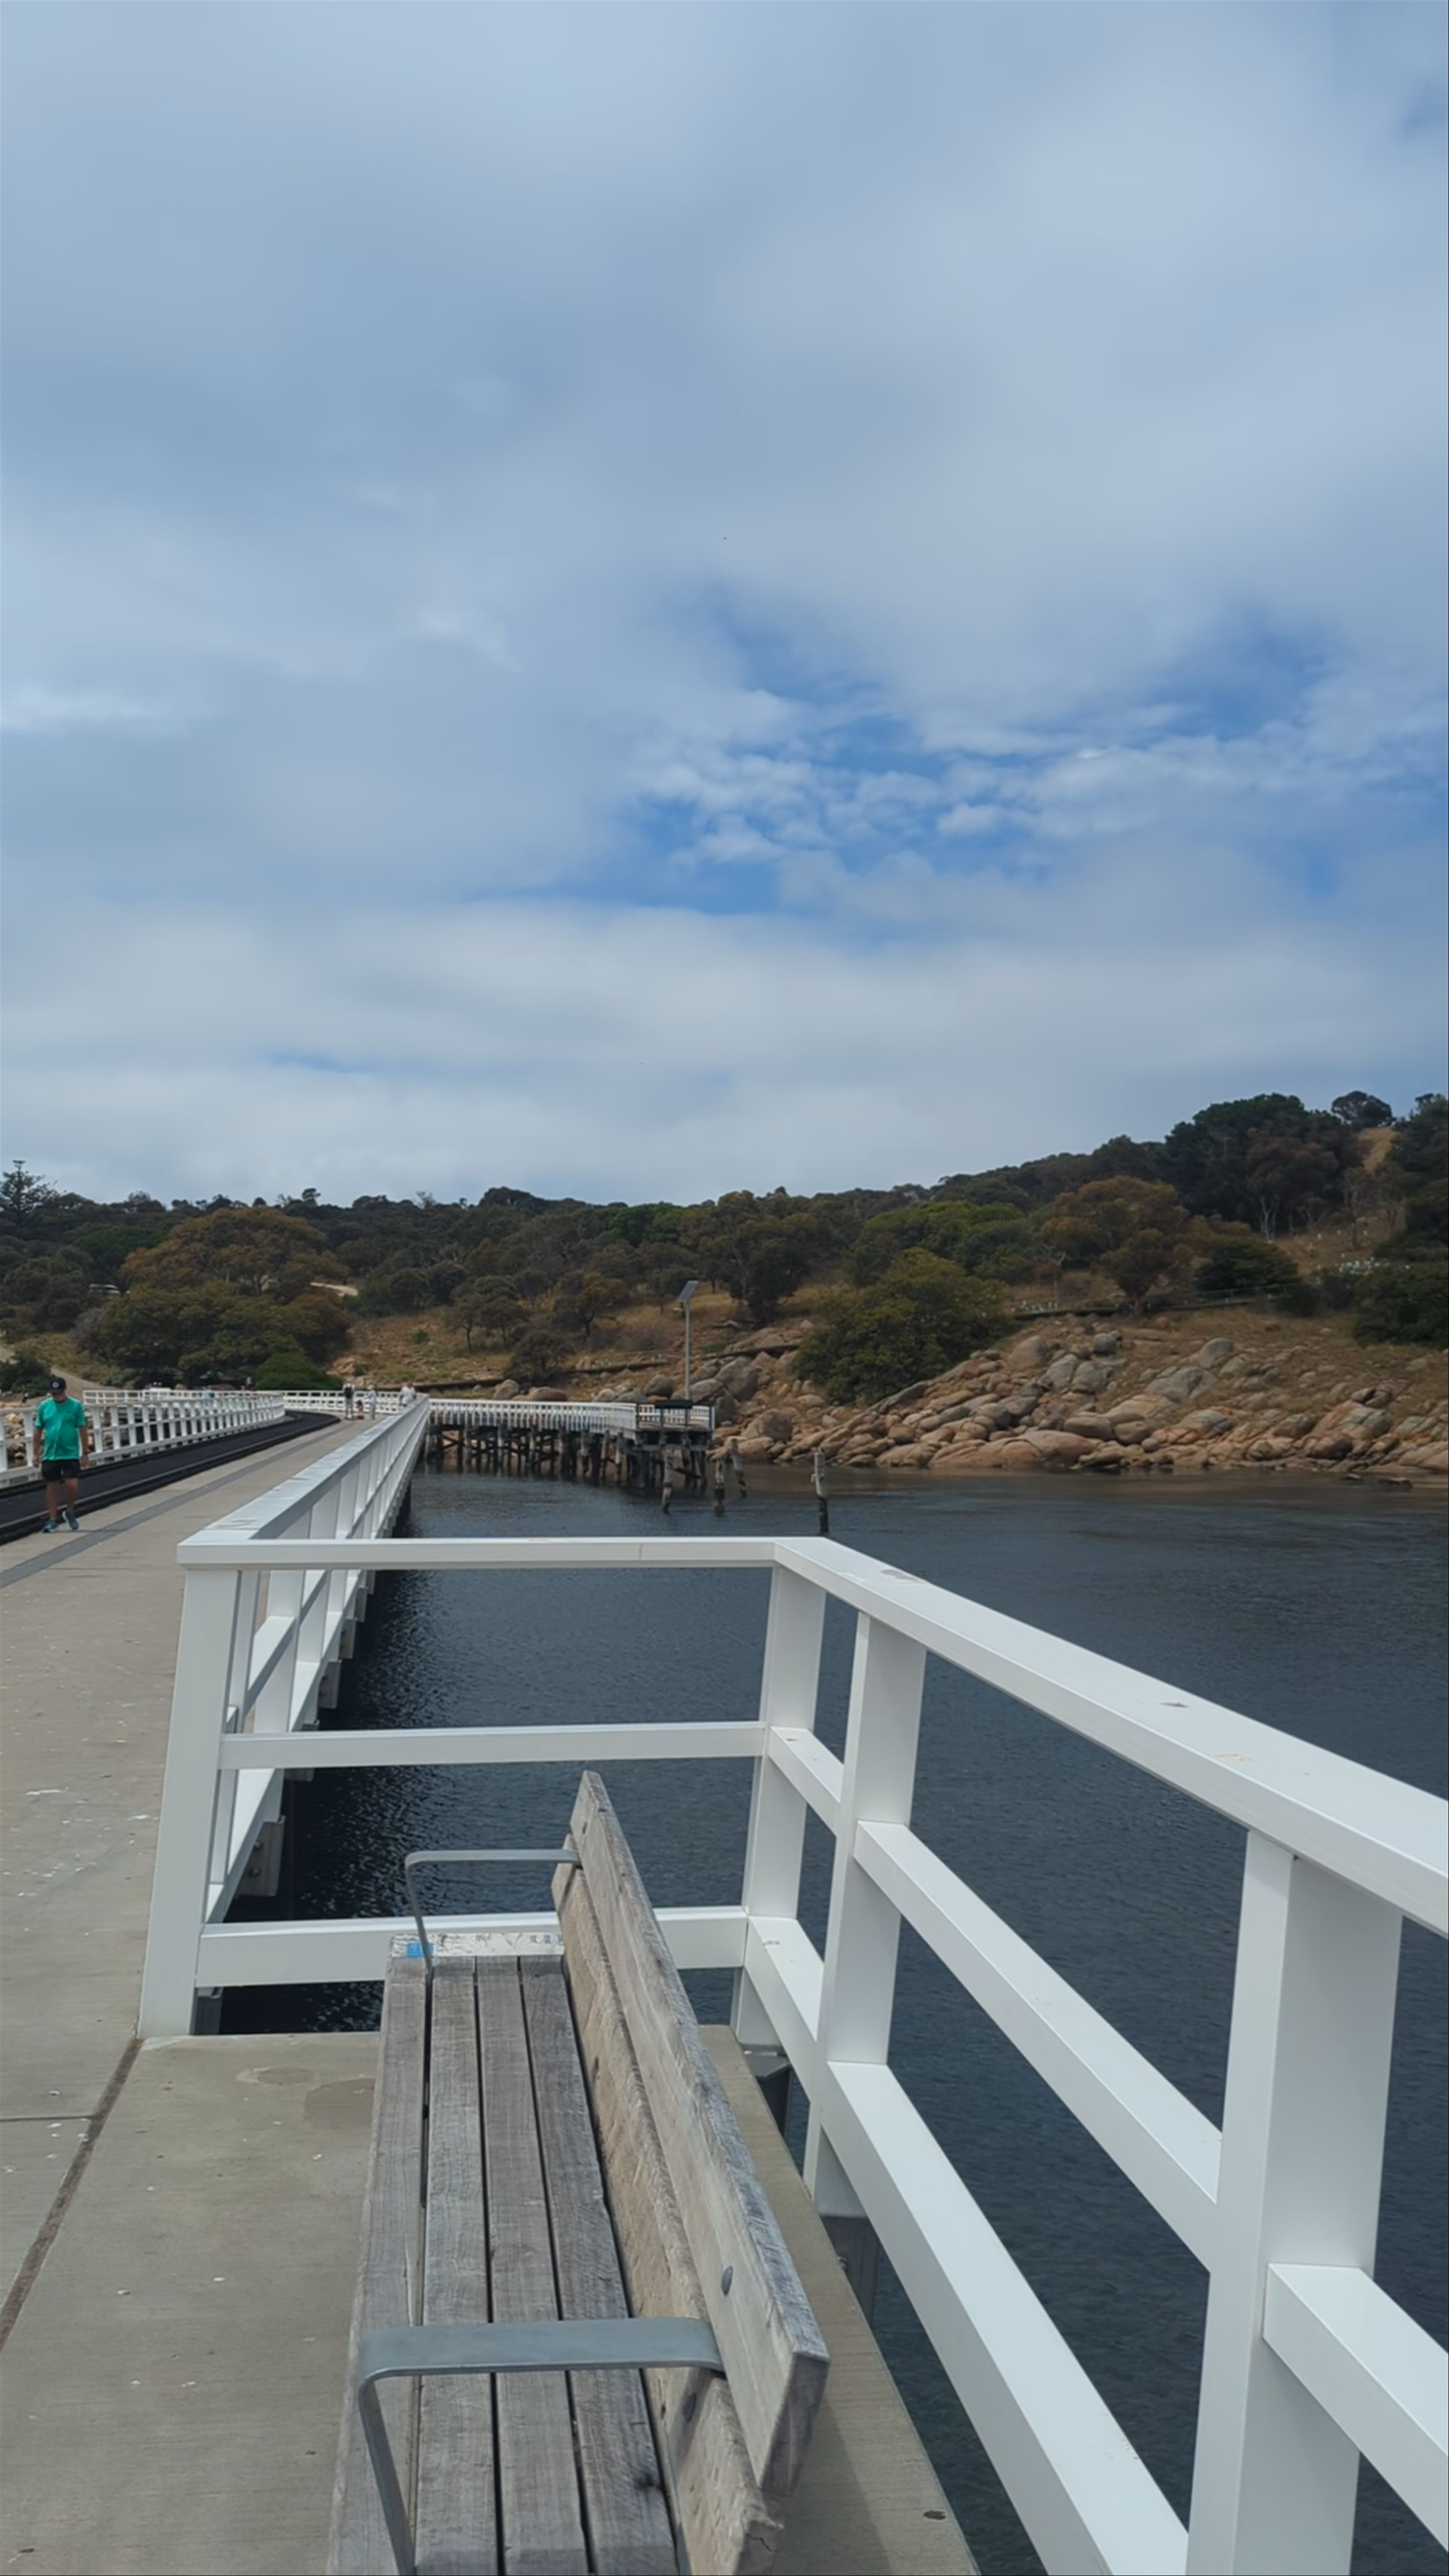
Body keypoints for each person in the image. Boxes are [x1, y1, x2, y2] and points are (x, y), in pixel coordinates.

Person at [32, 1374, 94, 1534]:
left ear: (64, 1391)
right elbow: (38, 1430)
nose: (56, 1396)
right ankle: (53, 1520)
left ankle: (70, 1510)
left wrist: (86, 1452)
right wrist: (36, 1454)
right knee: (52, 1487)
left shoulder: (75, 1406)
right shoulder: (44, 1407)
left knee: (72, 1485)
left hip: (70, 1453)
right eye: (54, 1393)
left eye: (59, 1393)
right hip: (51, 1454)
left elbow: (83, 1429)